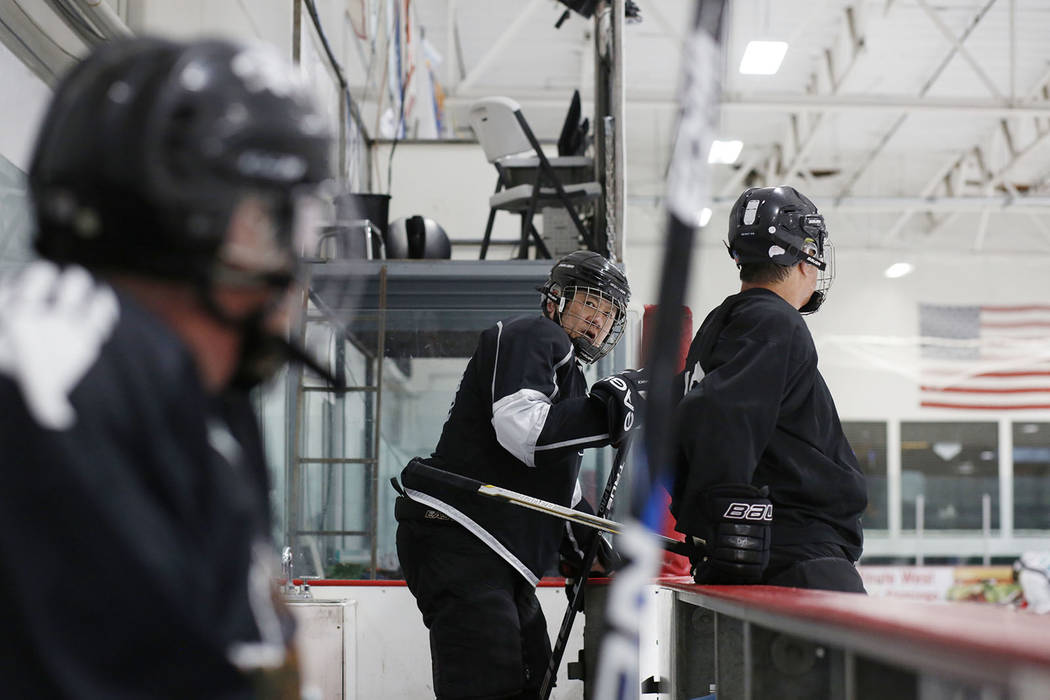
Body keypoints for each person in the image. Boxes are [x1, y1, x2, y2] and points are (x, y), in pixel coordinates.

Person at [0, 37, 333, 697]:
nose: (292, 267)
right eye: (276, 223)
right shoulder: (62, 371)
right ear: (201, 226)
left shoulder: (193, 392)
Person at [395, 250, 645, 700]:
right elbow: (522, 433)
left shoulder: (568, 377)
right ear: (555, 300)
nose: (598, 321)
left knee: (530, 677)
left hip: (493, 553)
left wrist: (592, 549)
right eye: (589, 304)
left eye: (609, 313)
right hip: (463, 537)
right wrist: (611, 414)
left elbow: (561, 494)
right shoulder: (535, 333)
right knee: (492, 685)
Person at [670, 185, 868, 593]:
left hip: (766, 551)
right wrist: (733, 524)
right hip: (799, 556)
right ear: (802, 258)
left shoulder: (721, 322)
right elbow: (725, 420)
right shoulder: (776, 322)